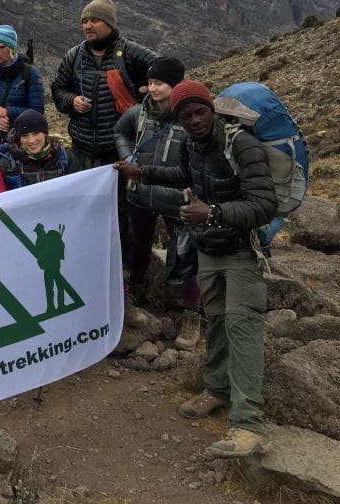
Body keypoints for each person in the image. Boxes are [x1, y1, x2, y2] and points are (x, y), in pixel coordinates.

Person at [116, 79, 277, 458]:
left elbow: (264, 205)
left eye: (199, 112)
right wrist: (144, 173)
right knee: (217, 321)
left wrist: (214, 213)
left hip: (242, 252)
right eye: (185, 115)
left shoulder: (242, 145)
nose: (193, 120)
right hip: (208, 249)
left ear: (211, 109)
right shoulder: (192, 144)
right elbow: (186, 176)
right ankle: (218, 390)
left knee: (243, 328)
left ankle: (248, 424)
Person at [50, 0, 156, 271]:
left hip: (120, 149)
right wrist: (70, 101)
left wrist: (146, 96)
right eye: (84, 21)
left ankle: (127, 272)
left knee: (124, 211)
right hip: (82, 148)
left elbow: (164, 73)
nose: (88, 25)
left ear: (109, 23)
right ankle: (87, 264)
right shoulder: (74, 56)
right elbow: (58, 89)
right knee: (84, 208)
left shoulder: (130, 53)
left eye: (94, 20)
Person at [113, 56, 201, 343]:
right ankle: (136, 295)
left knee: (184, 255)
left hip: (177, 200)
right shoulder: (139, 113)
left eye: (159, 83)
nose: (153, 88)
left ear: (175, 86)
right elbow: (120, 131)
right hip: (139, 196)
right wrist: (128, 158)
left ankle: (192, 314)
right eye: (150, 82)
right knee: (136, 247)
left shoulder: (190, 118)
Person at [0, 110, 74, 189]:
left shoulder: (66, 158)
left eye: (35, 133)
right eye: (25, 136)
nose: (31, 140)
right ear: (19, 139)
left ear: (45, 134)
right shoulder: (6, 163)